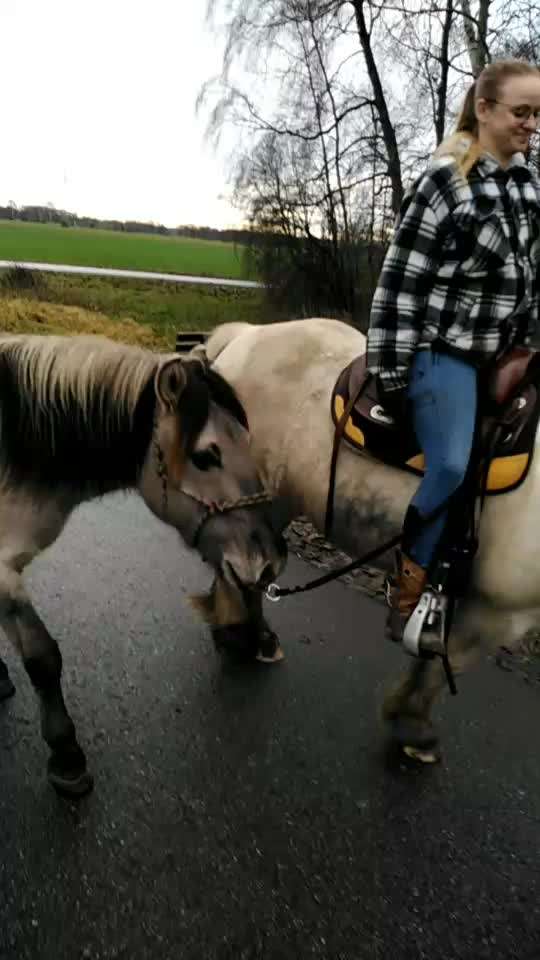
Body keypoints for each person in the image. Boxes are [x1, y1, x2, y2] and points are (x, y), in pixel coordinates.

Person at [366, 59, 540, 643]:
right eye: (522, 112)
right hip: (446, 353)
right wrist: (390, 370)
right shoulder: (446, 181)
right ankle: (408, 585)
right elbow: (400, 280)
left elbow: (533, 278)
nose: (531, 125)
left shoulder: (530, 184)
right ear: (485, 108)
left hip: (507, 351)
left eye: (538, 115)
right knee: (448, 464)